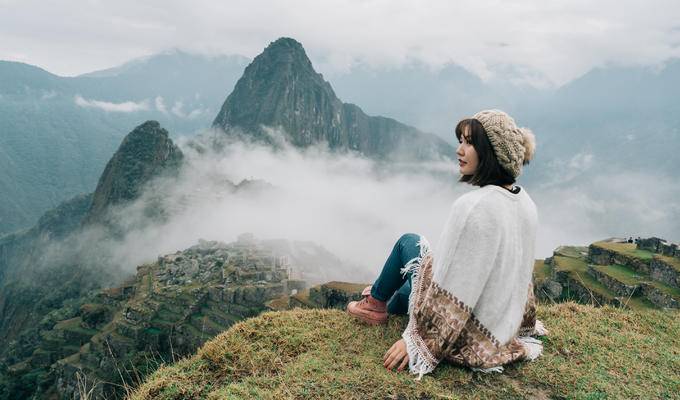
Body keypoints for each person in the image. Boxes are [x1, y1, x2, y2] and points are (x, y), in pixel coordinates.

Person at [347, 109, 548, 379]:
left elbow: (452, 288)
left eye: (469, 143)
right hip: (497, 322)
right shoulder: (526, 204)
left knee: (411, 243)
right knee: (408, 289)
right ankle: (385, 299)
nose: (459, 150)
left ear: (489, 151)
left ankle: (375, 303)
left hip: (466, 331)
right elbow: (522, 278)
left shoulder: (472, 207)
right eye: (460, 141)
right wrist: (523, 324)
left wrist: (418, 342)